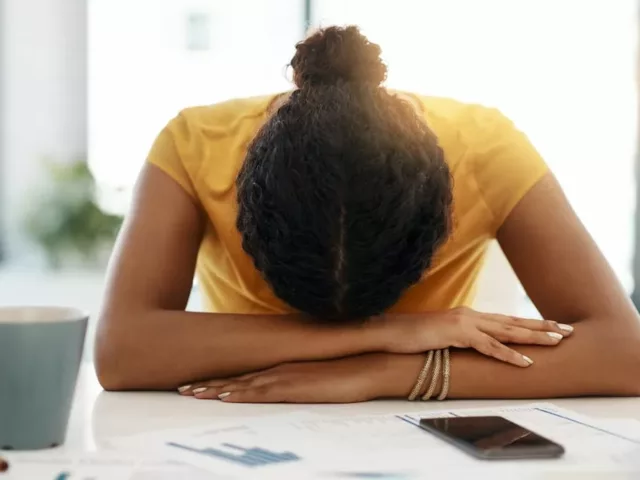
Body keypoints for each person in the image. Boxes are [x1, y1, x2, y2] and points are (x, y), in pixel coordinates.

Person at [95, 26, 640, 403]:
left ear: (442, 214)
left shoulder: (483, 145)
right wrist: (391, 331)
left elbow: (623, 353)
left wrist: (382, 372)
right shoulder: (195, 142)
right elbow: (122, 351)